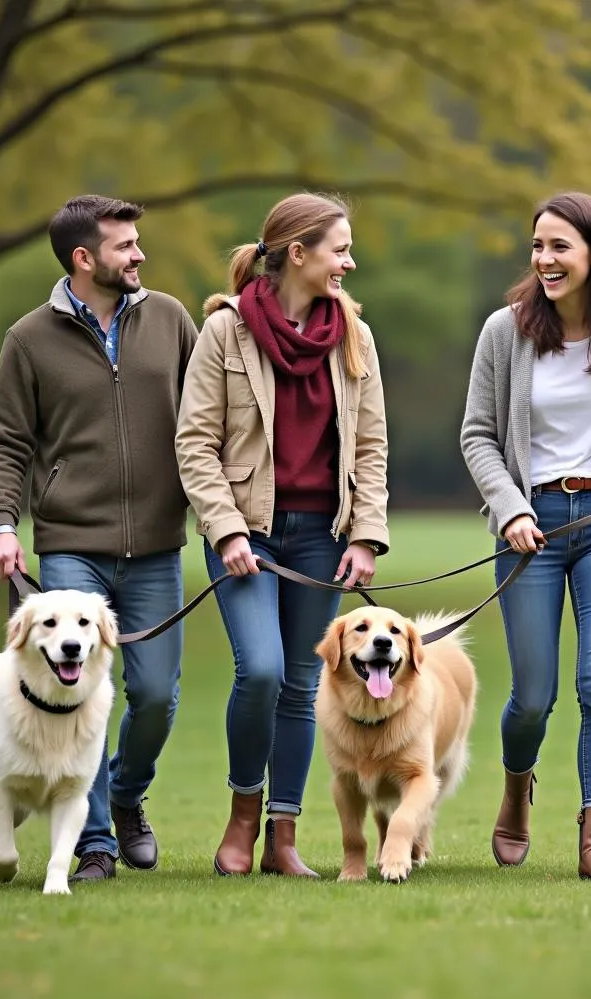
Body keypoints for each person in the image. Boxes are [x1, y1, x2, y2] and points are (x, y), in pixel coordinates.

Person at [0, 194, 198, 883]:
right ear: (84, 258)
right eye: (125, 244)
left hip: (159, 543)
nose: (139, 254)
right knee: (83, 696)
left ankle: (127, 797)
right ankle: (95, 843)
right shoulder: (28, 339)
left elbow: (209, 422)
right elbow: (4, 443)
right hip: (71, 543)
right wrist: (1, 525)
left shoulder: (169, 320)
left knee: (157, 695)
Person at [460, 192, 591, 883]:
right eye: (537, 247)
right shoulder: (506, 332)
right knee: (532, 697)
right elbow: (478, 435)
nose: (545, 260)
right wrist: (511, 508)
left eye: (559, 247)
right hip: (530, 532)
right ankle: (517, 790)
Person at [175, 192, 389, 878]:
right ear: (297, 253)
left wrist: (365, 536)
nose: (350, 263)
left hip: (323, 536)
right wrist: (226, 530)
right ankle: (242, 818)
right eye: (340, 249)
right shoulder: (225, 331)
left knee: (302, 682)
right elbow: (195, 443)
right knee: (261, 669)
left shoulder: (355, 334)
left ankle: (283, 838)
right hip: (248, 533)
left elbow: (372, 448)